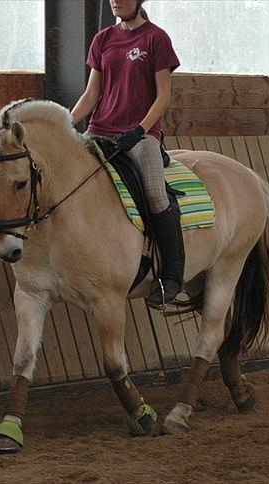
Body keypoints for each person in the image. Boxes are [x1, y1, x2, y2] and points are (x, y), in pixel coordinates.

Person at [71, 0, 183, 307]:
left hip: (139, 136)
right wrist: (66, 124)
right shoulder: (103, 39)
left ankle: (171, 275)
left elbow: (164, 95)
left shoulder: (156, 38)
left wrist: (141, 129)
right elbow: (92, 94)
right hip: (99, 131)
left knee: (155, 194)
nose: (116, 0)